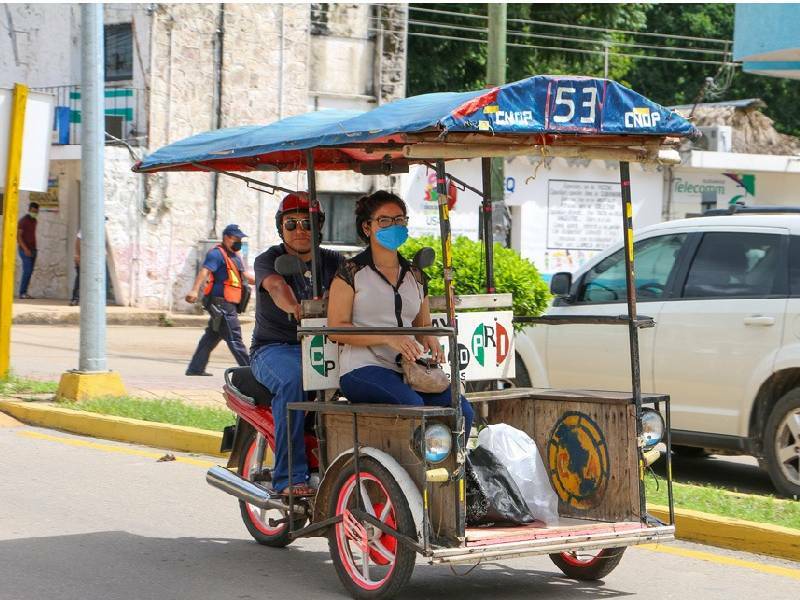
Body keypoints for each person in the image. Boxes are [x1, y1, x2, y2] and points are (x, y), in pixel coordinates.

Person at [327, 191, 474, 438]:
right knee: (414, 406)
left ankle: (456, 469)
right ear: (367, 227)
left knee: (463, 410)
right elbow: (336, 330)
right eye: (384, 221)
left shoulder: (416, 276)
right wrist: (388, 337)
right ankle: (422, 473)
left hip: (411, 370)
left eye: (400, 220)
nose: (393, 226)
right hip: (363, 369)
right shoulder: (351, 272)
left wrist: (430, 339)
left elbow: (423, 325)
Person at [250, 193, 342, 496]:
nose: (300, 229)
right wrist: (295, 307)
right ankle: (289, 477)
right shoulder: (269, 260)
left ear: (320, 226)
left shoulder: (334, 262)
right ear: (281, 228)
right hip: (276, 348)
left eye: (308, 222)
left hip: (328, 344)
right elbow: (276, 286)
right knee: (293, 381)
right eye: (292, 223)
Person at [185, 224, 254, 375]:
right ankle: (252, 371)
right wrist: (194, 290)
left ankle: (195, 368)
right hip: (221, 302)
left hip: (229, 302)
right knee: (234, 338)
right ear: (226, 238)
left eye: (240, 239)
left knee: (211, 336)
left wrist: (266, 281)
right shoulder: (217, 254)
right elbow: (204, 271)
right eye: (236, 238)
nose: (239, 242)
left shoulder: (235, 256)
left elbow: (244, 276)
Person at [17, 201, 39, 299]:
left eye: (36, 211)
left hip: (33, 250)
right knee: (27, 270)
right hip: (24, 250)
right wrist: (25, 249)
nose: (34, 213)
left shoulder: (34, 221)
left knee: (29, 272)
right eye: (33, 211)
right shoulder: (23, 221)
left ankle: (25, 292)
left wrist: (33, 249)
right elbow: (18, 237)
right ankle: (22, 293)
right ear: (29, 210)